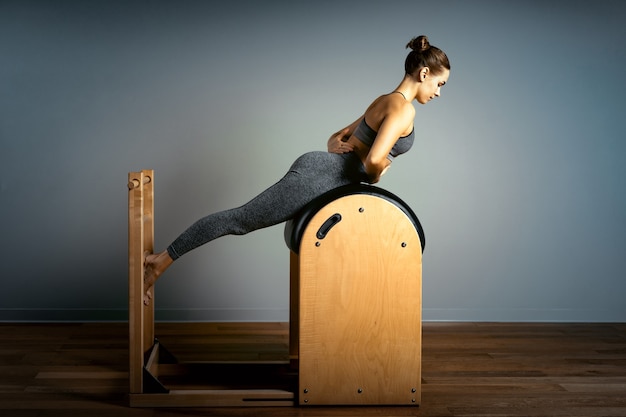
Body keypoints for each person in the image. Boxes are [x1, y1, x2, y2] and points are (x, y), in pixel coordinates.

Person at [143, 35, 450, 305]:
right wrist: (381, 169)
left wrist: (342, 150)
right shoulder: (404, 109)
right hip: (322, 177)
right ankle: (159, 261)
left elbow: (338, 137)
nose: (438, 92)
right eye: (439, 83)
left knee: (240, 219)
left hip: (321, 168)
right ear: (424, 73)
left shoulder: (385, 100)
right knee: (239, 220)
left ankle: (160, 260)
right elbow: (371, 163)